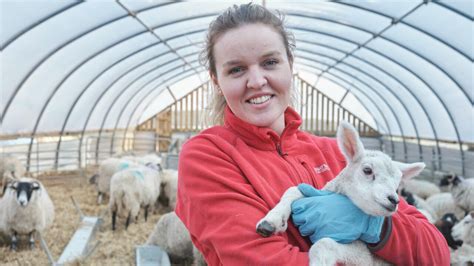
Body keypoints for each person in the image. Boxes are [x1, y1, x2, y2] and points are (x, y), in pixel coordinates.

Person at [175, 3, 450, 265]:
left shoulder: (340, 156)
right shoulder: (208, 156)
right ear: (216, 81)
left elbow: (437, 254)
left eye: (270, 62)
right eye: (236, 69)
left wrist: (375, 226)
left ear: (290, 64)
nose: (257, 81)